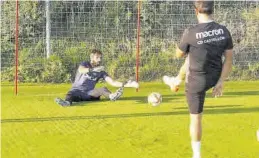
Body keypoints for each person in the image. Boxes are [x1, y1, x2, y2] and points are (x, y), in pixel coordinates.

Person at [164, 1, 233, 158]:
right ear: (212, 10)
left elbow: (178, 54)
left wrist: (183, 43)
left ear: (196, 11)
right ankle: (176, 80)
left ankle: (197, 155)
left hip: (197, 81)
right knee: (191, 58)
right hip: (215, 76)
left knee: (196, 119)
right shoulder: (224, 31)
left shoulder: (191, 32)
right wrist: (221, 81)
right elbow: (228, 60)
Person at [55, 49, 139, 106]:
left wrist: (129, 84)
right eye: (97, 57)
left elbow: (113, 82)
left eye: (100, 58)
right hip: (77, 92)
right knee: (70, 94)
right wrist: (93, 70)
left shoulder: (101, 71)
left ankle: (112, 96)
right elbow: (81, 70)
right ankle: (67, 103)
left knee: (103, 89)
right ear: (91, 58)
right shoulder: (85, 64)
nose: (99, 60)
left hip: (89, 94)